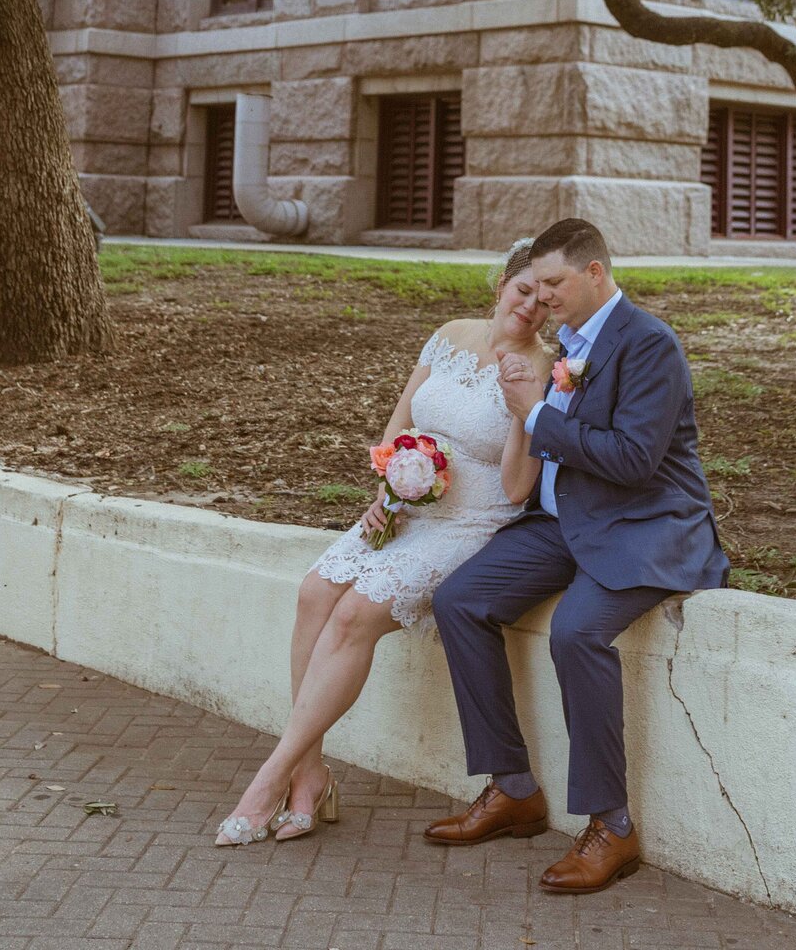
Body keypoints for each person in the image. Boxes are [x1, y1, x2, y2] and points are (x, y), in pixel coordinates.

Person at [214, 238, 552, 847]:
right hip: (404, 508)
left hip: (468, 525)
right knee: (315, 592)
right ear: (500, 284)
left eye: (545, 301)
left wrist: (524, 409)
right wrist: (391, 489)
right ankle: (311, 775)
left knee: (354, 616)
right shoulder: (450, 333)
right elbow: (399, 427)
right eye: (523, 290)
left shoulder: (543, 371)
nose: (530, 307)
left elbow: (516, 489)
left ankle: (269, 778)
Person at [427, 216, 729, 893]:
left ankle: (612, 827)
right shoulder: (568, 341)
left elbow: (632, 459)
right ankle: (512, 789)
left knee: (576, 631)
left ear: (595, 273)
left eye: (556, 282)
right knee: (459, 600)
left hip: (644, 524)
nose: (546, 296)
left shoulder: (649, 344)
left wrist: (537, 414)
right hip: (565, 522)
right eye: (537, 284)